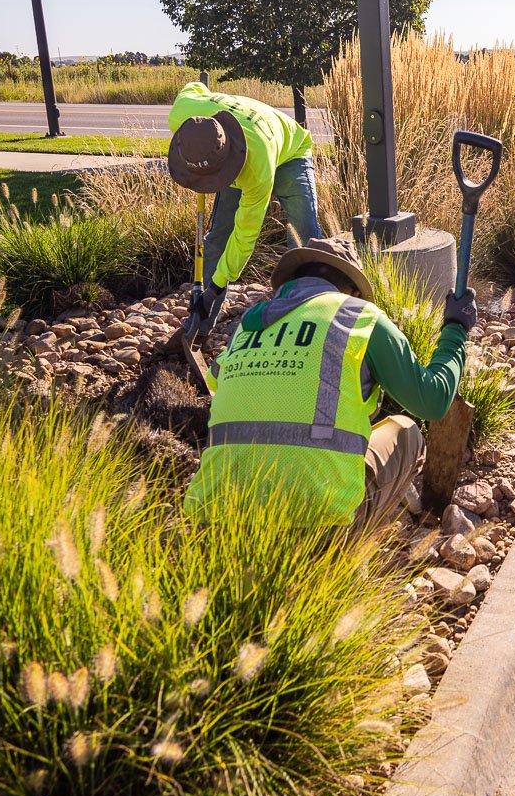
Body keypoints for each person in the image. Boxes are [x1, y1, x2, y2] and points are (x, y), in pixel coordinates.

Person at [184, 236, 479, 528]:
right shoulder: (359, 317)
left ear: (292, 281)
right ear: (351, 290)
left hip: (213, 524)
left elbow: (217, 382)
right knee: (405, 431)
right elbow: (434, 400)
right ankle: (349, 559)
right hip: (318, 529)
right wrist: (455, 328)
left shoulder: (247, 325)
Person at [166, 81, 326, 331]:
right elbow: (193, 86)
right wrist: (206, 95)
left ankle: (312, 316)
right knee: (219, 236)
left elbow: (245, 236)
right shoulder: (182, 113)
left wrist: (214, 288)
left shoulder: (256, 169)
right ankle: (202, 322)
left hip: (289, 152)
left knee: (304, 232)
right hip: (226, 152)